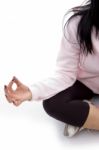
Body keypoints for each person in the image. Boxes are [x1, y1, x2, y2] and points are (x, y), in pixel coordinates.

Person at [4, 0, 99, 137]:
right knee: (52, 102)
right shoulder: (77, 23)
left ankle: (87, 119)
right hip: (85, 83)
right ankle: (89, 118)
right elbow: (65, 74)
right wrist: (31, 92)